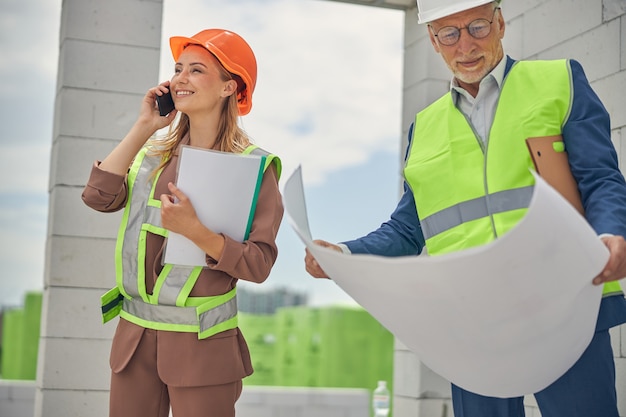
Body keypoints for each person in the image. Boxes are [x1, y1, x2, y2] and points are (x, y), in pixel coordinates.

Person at [304, 1, 626, 416]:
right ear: (434, 41)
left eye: (477, 26)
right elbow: (407, 229)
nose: (466, 45)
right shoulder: (425, 127)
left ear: (500, 23)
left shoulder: (558, 80)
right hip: (475, 321)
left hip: (563, 301)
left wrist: (610, 234)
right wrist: (344, 256)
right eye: (449, 34)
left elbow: (600, 178)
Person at [82, 28, 284, 417]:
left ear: (229, 87)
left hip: (203, 349)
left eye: (196, 70)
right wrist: (144, 126)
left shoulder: (254, 168)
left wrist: (196, 232)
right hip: (134, 343)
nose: (179, 79)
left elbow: (258, 264)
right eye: (177, 69)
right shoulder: (152, 156)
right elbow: (97, 197)